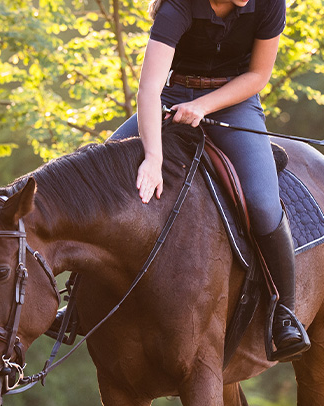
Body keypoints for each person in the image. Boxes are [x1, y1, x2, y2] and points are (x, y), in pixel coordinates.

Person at [111, 0, 310, 361]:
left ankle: (284, 313)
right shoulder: (177, 6)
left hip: (236, 101)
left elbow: (258, 76)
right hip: (172, 97)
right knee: (105, 171)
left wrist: (204, 106)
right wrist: (153, 158)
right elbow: (149, 90)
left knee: (264, 204)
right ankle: (76, 303)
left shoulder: (268, 4)